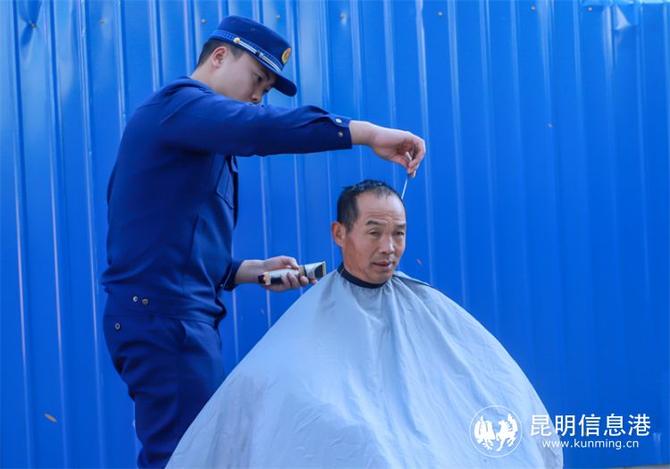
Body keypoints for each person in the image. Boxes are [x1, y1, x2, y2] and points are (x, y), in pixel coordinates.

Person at [101, 15, 426, 468]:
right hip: (164, 319)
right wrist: (366, 134)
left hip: (174, 317)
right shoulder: (179, 106)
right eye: (257, 79)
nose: (258, 97)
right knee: (186, 458)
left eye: (266, 89)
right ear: (219, 56)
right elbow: (258, 129)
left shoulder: (193, 135)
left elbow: (168, 234)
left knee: (197, 454)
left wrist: (244, 271)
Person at [167, 180, 563, 469]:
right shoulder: (312, 319)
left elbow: (485, 377)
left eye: (398, 234)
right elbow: (263, 390)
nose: (388, 248)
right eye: (374, 233)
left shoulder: (426, 307)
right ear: (339, 233)